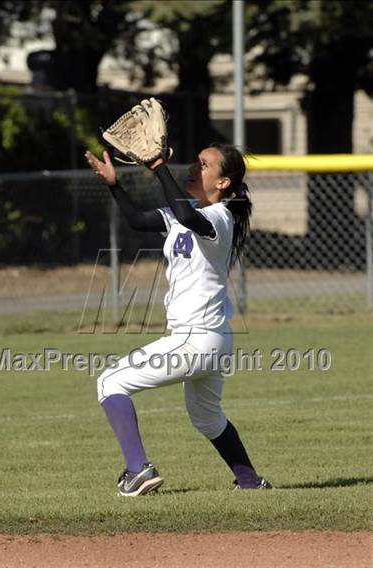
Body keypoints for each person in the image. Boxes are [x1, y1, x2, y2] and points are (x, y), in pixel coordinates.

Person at [85, 144, 273, 496]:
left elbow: (189, 220)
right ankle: (250, 480)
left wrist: (159, 168)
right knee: (207, 416)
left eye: (204, 165)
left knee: (110, 381)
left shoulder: (220, 217)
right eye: (196, 161)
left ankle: (138, 470)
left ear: (223, 182)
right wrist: (114, 184)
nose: (194, 168)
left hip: (196, 337)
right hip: (211, 338)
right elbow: (138, 220)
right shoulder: (182, 211)